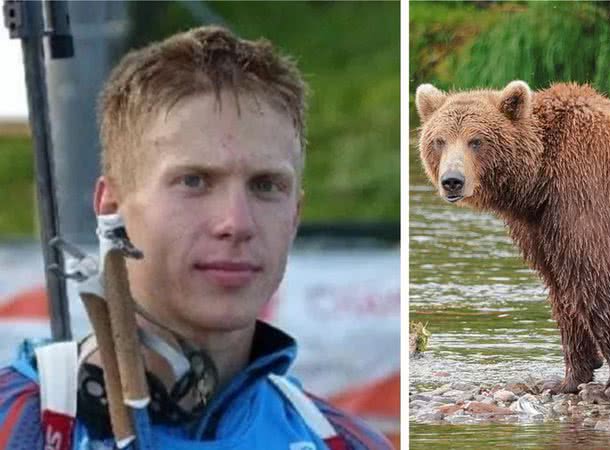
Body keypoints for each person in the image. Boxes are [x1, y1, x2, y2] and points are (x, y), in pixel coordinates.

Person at [0, 26, 393, 450]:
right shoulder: (18, 427)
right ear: (111, 207)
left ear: (295, 214)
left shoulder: (347, 443)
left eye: (265, 186)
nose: (236, 223)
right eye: (194, 181)